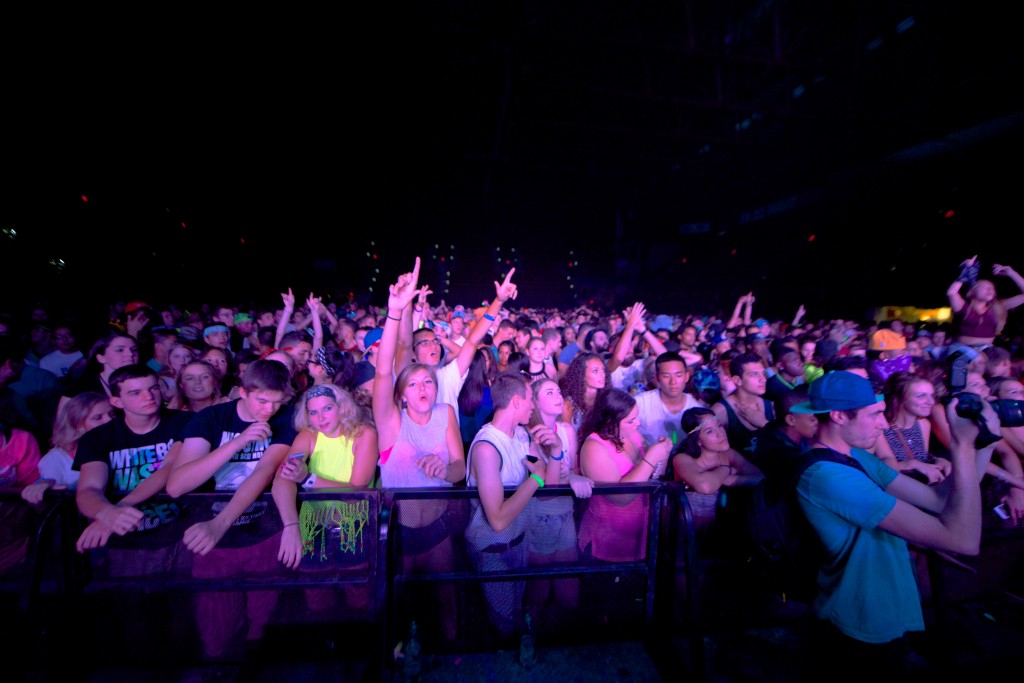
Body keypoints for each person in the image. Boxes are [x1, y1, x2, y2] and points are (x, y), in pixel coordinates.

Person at [790, 371, 995, 676]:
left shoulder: (856, 456)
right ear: (838, 416)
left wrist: (985, 442)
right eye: (874, 415)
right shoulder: (828, 475)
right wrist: (961, 447)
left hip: (883, 604)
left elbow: (940, 499)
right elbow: (962, 540)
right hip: (858, 617)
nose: (884, 424)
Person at [164, 359, 296, 658]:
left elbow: (264, 472)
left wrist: (221, 522)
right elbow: (176, 485)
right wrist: (238, 443)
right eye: (262, 401)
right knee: (215, 613)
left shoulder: (286, 418)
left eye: (277, 402)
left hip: (263, 529)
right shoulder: (212, 418)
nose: (269, 409)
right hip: (211, 534)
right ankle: (216, 664)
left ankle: (253, 655)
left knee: (262, 613)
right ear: (243, 392)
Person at [373, 258, 467, 639]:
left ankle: (451, 650)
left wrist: (445, 470)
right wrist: (395, 312)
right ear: (401, 395)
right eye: (412, 384)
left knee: (447, 600)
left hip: (439, 529)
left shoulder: (445, 414)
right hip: (401, 531)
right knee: (399, 604)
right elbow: (384, 370)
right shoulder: (391, 424)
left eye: (427, 382)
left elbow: (460, 468)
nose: (422, 388)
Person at [272, 384, 378, 611]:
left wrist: (308, 478)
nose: (320, 418)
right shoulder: (308, 435)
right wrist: (290, 525)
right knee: (316, 597)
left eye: (327, 409)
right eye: (313, 412)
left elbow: (358, 493)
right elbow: (282, 479)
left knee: (359, 596)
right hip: (313, 525)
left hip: (354, 526)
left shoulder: (364, 434)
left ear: (342, 407)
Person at [465, 371, 553, 637]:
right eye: (530, 399)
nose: (533, 405)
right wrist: (536, 478)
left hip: (520, 541)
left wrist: (554, 453)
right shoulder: (487, 448)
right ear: (516, 401)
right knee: (503, 623)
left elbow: (545, 475)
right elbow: (498, 520)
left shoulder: (521, 435)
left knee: (517, 611)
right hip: (492, 549)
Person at [72, 365, 193, 552]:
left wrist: (120, 508)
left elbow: (170, 469)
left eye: (153, 388)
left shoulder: (185, 421)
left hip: (178, 533)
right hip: (121, 540)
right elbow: (89, 489)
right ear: (117, 401)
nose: (148, 397)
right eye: (136, 393)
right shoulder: (97, 437)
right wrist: (106, 513)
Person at [577, 389, 672, 564]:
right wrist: (651, 458)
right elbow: (620, 497)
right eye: (630, 420)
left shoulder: (632, 434)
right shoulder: (594, 447)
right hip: (605, 542)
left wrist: (663, 454)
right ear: (610, 421)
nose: (637, 423)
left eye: (637, 418)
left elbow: (653, 475)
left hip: (639, 537)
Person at [671, 407, 764, 534]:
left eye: (719, 425)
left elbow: (760, 478)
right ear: (697, 440)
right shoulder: (682, 459)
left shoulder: (728, 454)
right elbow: (705, 487)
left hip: (725, 529)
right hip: (687, 532)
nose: (720, 433)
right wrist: (727, 469)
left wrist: (722, 479)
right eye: (709, 431)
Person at [20, 391, 114, 504]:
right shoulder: (56, 459)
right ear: (77, 425)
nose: (110, 420)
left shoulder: (124, 445)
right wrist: (44, 484)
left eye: (112, 414)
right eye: (98, 418)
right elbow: (50, 483)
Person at [873, 372, 951, 485]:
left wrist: (938, 461)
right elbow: (881, 468)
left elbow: (921, 458)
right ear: (899, 398)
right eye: (921, 396)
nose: (931, 402)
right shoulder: (881, 427)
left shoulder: (924, 425)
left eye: (931, 395)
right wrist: (910, 464)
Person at [946, 256, 1024, 348]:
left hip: (987, 349)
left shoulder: (998, 306)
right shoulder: (963, 306)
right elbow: (951, 293)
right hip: (963, 350)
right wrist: (965, 271)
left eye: (992, 288)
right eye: (984, 287)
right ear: (972, 292)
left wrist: (1012, 273)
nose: (990, 290)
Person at [711, 352, 774, 455]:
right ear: (737, 380)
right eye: (754, 374)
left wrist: (763, 423)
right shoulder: (720, 411)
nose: (763, 379)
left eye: (763, 373)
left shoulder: (772, 407)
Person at [559, 352, 608, 433]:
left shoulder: (606, 399)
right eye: (595, 371)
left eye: (603, 370)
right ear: (582, 375)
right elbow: (566, 437)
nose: (602, 375)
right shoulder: (568, 405)